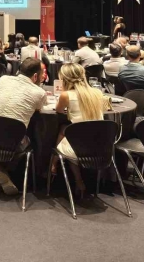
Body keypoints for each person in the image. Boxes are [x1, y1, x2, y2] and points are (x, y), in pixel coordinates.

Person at [0, 57, 47, 195]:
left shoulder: (3, 79)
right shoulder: (39, 93)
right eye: (42, 74)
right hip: (13, 145)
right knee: (30, 140)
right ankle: (7, 172)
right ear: (35, 76)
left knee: (7, 131)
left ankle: (0, 170)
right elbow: (38, 109)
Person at [53, 63, 107, 197]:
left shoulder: (66, 95)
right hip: (101, 146)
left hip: (78, 149)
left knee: (65, 132)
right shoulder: (97, 93)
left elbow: (58, 110)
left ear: (64, 78)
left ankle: (56, 166)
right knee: (68, 131)